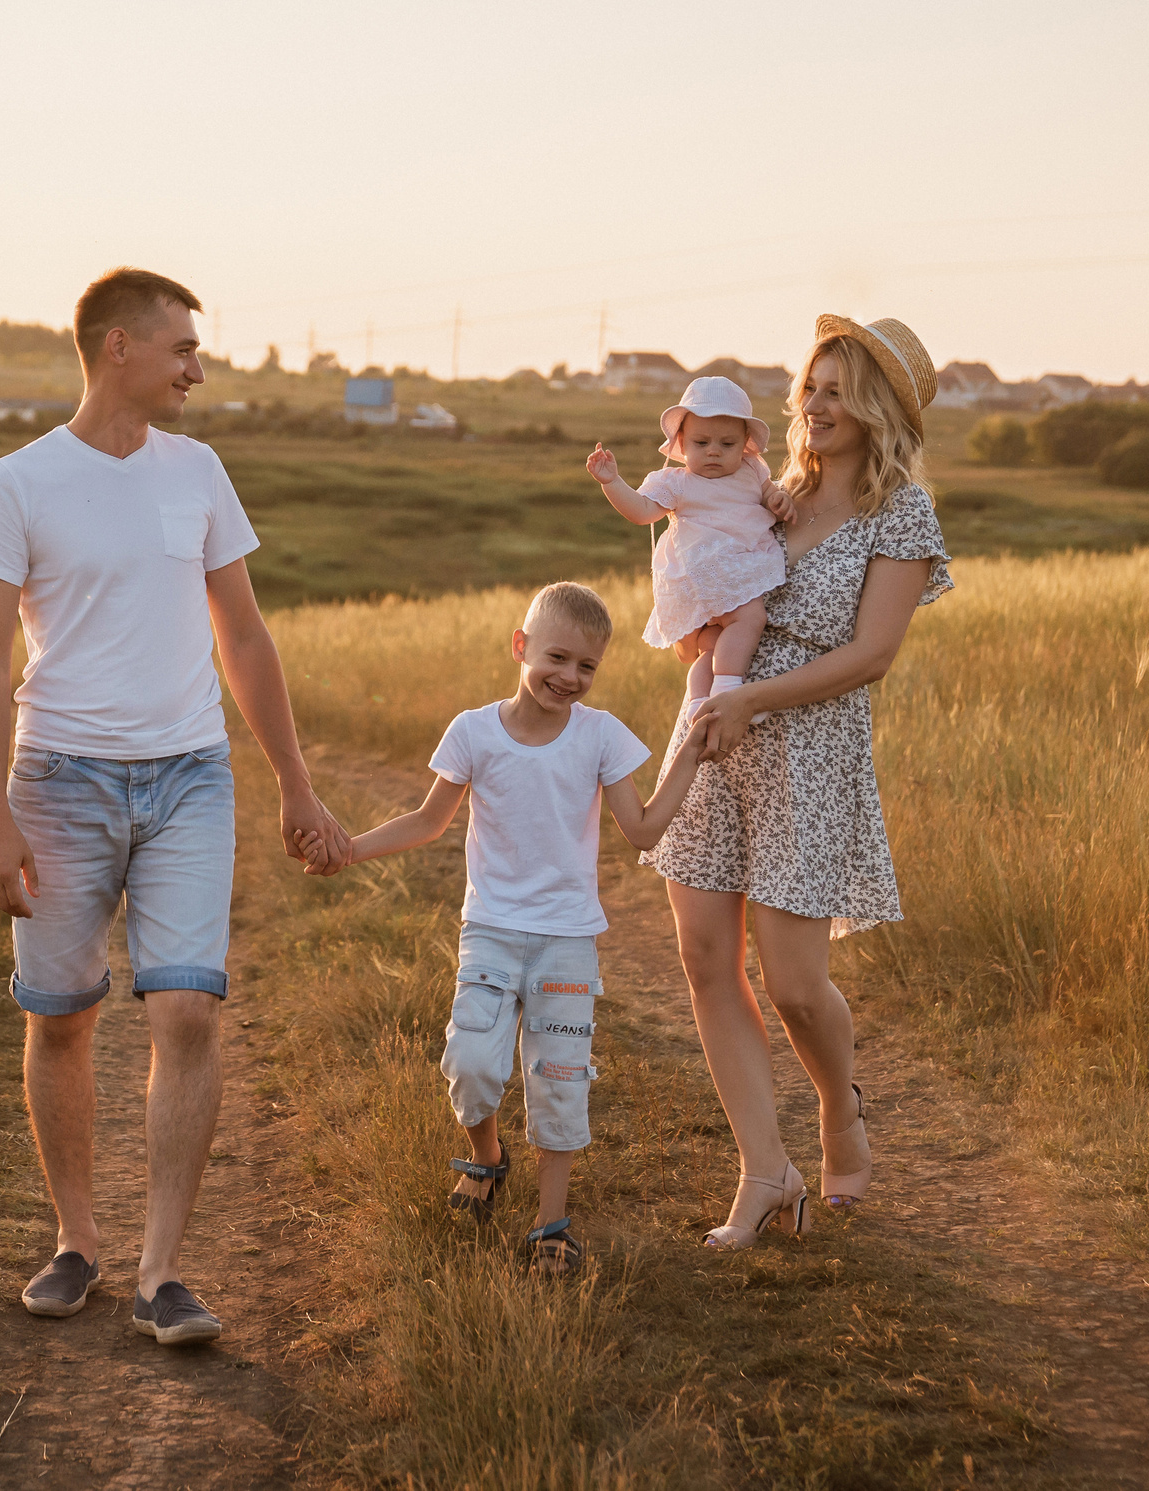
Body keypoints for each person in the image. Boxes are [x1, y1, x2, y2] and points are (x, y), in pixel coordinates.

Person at [0, 266, 353, 1346]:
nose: (197, 370)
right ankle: (76, 1241)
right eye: (182, 348)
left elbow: (245, 635)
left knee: (186, 1011)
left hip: (189, 778)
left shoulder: (200, 471)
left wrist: (294, 781)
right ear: (117, 347)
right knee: (61, 1017)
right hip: (58, 782)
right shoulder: (18, 483)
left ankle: (161, 1273)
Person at [644, 316, 955, 1250]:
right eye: (809, 387)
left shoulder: (900, 513)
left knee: (794, 983)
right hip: (715, 733)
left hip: (810, 752)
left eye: (835, 391)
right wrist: (700, 643)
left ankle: (838, 1107)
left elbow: (872, 654)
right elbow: (702, 574)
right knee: (706, 958)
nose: (813, 406)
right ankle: (764, 1172)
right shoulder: (769, 489)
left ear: (878, 409)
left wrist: (754, 697)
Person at [306, 582, 707, 1276]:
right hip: (490, 931)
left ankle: (551, 1223)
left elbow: (642, 829)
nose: (570, 677)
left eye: (587, 666)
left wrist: (690, 757)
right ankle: (489, 1157)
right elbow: (428, 821)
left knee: (560, 1078)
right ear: (520, 647)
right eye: (557, 657)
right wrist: (350, 849)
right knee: (471, 1065)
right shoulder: (473, 732)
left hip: (566, 941)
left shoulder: (601, 736)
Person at [585, 374, 795, 705]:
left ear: (745, 444)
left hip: (736, 569)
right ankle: (728, 689)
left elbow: (770, 494)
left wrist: (779, 500)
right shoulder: (677, 482)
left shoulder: (752, 470)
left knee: (711, 644)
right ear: (682, 443)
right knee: (751, 618)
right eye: (701, 443)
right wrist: (612, 483)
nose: (714, 452)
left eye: (727, 444)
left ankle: (698, 701)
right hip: (708, 571)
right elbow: (641, 511)